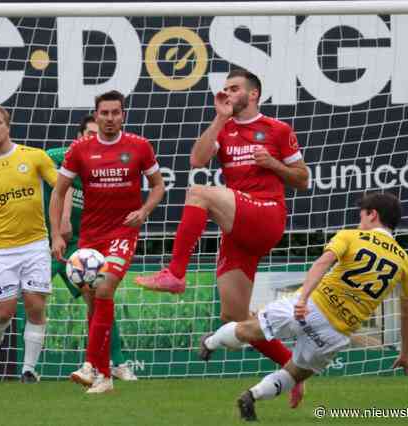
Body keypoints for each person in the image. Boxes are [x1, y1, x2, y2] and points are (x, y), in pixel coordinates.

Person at [136, 67, 309, 407]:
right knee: (235, 320)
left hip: (266, 214)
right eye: (225, 89)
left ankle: (175, 274)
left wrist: (273, 164)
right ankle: (294, 370)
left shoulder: (277, 129)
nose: (228, 93)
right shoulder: (225, 128)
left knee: (199, 193)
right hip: (239, 228)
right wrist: (219, 118)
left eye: (234, 88)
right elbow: (196, 159)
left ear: (253, 93)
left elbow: (302, 178)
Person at [200, 192, 408, 421]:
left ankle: (210, 342)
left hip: (312, 305)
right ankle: (252, 396)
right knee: (295, 374)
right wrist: (404, 354)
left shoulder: (352, 236)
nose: (359, 219)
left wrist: (302, 299)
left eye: (362, 214)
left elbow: (322, 263)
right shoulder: (404, 262)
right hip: (336, 333)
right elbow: (407, 315)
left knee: (248, 329)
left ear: (373, 215)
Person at [50, 91, 165, 393]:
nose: (110, 118)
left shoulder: (139, 147)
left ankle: (90, 364)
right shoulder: (80, 150)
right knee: (95, 301)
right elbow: (57, 192)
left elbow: (158, 186)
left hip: (123, 233)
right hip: (90, 236)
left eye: (116, 112)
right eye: (105, 113)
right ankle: (105, 376)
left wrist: (144, 211)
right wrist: (56, 233)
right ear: (96, 115)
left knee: (104, 287)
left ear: (122, 115)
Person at [44, 114, 137, 381]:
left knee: (98, 301)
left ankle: (111, 363)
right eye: (87, 134)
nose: (92, 139)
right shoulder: (68, 156)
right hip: (52, 242)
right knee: (27, 295)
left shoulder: (108, 167)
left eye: (96, 134)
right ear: (79, 139)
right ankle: (9, 353)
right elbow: (41, 158)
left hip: (86, 246)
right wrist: (60, 222)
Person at [0, 104, 57, 383]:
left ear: (7, 126)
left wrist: (59, 231)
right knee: (5, 311)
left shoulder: (34, 157)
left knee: (34, 305)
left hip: (35, 245)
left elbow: (61, 188)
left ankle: (28, 370)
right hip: (1, 250)